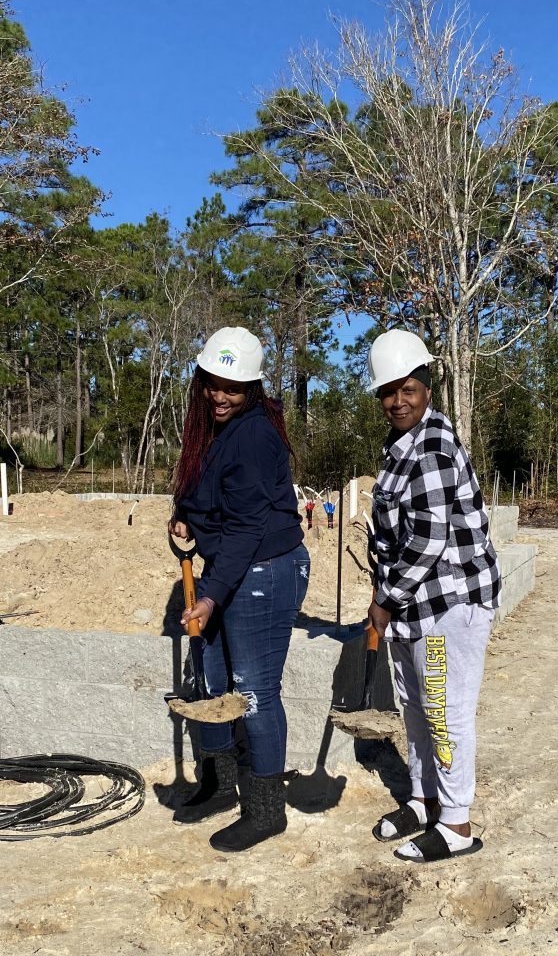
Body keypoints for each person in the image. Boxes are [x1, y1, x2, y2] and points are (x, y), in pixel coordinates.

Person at [168, 326, 310, 852]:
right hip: (231, 566)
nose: (220, 395)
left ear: (251, 388)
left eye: (233, 386)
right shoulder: (212, 432)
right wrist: (184, 520)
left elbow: (249, 528)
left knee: (252, 691)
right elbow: (211, 502)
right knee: (213, 678)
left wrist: (209, 595)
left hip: (266, 570)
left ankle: (266, 811)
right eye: (213, 383)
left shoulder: (252, 435)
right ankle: (221, 783)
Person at [365, 328, 501, 863]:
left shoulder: (434, 445)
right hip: (415, 606)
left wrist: (384, 597)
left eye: (409, 389)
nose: (398, 400)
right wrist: (387, 593)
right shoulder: (401, 446)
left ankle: (457, 823)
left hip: (448, 603)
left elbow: (429, 540)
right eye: (388, 391)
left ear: (427, 387)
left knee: (445, 713)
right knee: (418, 708)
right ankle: (423, 800)